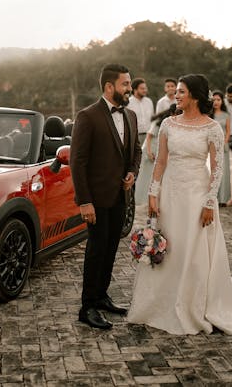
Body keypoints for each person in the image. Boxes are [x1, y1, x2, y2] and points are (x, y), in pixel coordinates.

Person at [127, 74, 232, 335]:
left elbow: (217, 167)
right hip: (170, 192)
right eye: (176, 91)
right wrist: (153, 194)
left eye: (181, 91)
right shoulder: (168, 123)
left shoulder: (212, 127)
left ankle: (193, 304)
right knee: (170, 248)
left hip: (197, 194)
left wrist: (210, 201)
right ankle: (161, 302)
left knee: (194, 249)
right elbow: (161, 162)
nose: (176, 96)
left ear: (195, 96)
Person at [70, 63, 142, 329]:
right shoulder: (88, 116)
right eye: (125, 84)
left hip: (120, 198)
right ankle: (87, 307)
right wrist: (84, 200)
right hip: (96, 200)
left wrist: (133, 172)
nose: (129, 88)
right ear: (109, 86)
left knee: (111, 249)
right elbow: (77, 162)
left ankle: (101, 297)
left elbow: (136, 151)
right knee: (96, 251)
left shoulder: (131, 116)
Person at [135, 104, 177, 205]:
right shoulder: (158, 123)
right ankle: (142, 198)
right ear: (171, 113)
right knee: (146, 176)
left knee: (155, 175)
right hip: (150, 150)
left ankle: (152, 198)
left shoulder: (172, 124)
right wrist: (149, 152)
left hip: (159, 152)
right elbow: (149, 137)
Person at [211, 90, 232, 206]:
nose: (216, 102)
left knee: (223, 171)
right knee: (212, 171)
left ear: (222, 101)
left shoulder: (226, 115)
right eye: (214, 100)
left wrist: (224, 142)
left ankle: (223, 199)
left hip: (223, 146)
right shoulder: (207, 114)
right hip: (210, 146)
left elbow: (228, 131)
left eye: (218, 100)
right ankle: (212, 197)